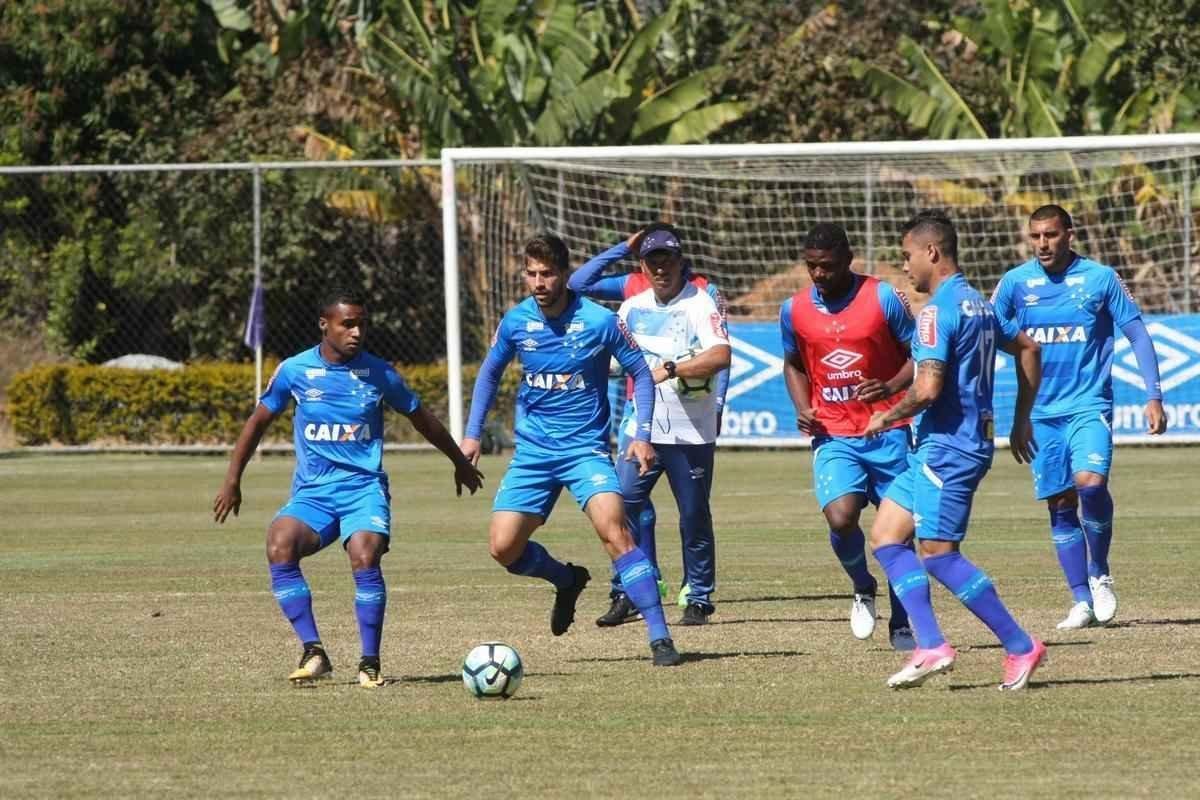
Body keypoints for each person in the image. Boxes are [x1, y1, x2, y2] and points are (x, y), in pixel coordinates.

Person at [213, 288, 483, 687]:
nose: (357, 332)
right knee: (278, 544)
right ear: (325, 325)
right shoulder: (295, 371)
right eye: (348, 324)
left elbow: (421, 419)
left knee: (364, 554)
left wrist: (458, 462)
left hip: (363, 489)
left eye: (362, 324)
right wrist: (233, 480)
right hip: (314, 494)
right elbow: (257, 424)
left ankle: (370, 662)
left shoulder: (380, 373)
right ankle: (313, 651)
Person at [460, 233, 682, 666]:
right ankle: (566, 579)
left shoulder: (600, 321)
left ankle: (660, 637)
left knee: (614, 531)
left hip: (585, 451)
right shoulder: (517, 322)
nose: (539, 282)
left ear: (564, 274)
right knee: (503, 548)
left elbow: (639, 370)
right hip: (533, 453)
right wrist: (471, 435)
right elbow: (488, 376)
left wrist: (641, 435)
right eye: (532, 274)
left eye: (547, 274)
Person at [864, 210, 1047, 691]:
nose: (904, 267)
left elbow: (927, 388)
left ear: (932, 252)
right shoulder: (980, 305)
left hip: (950, 449)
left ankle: (1020, 645)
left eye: (906, 257)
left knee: (940, 555)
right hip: (942, 447)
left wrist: (886, 414)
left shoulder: (935, 313)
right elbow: (1028, 348)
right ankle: (929, 646)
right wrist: (1020, 417)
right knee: (885, 535)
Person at [991, 205, 1165, 629]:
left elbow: (1137, 333)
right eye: (1035, 236)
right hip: (1041, 412)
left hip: (1089, 404)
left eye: (1050, 234)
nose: (1042, 244)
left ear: (1070, 233)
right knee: (1060, 504)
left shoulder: (1100, 278)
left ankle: (1099, 570)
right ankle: (1081, 601)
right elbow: (985, 331)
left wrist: (1153, 395)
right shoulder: (1015, 284)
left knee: (1090, 484)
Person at [568, 223, 731, 625]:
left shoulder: (701, 302)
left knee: (693, 513)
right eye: (653, 260)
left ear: (680, 261)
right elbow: (610, 354)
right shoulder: (632, 306)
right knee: (620, 505)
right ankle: (628, 590)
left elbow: (721, 355)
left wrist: (671, 369)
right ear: (642, 264)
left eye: (668, 259)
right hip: (638, 426)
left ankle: (699, 595)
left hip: (690, 426)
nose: (661, 268)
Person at [779, 222, 917, 651]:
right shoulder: (795, 309)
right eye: (811, 266)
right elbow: (794, 363)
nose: (818, 274)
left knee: (898, 532)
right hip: (835, 434)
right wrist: (803, 408)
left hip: (889, 429)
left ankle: (902, 617)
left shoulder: (883, 297)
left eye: (827, 266)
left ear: (848, 258)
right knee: (840, 517)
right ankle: (862, 586)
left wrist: (891, 387)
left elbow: (921, 356)